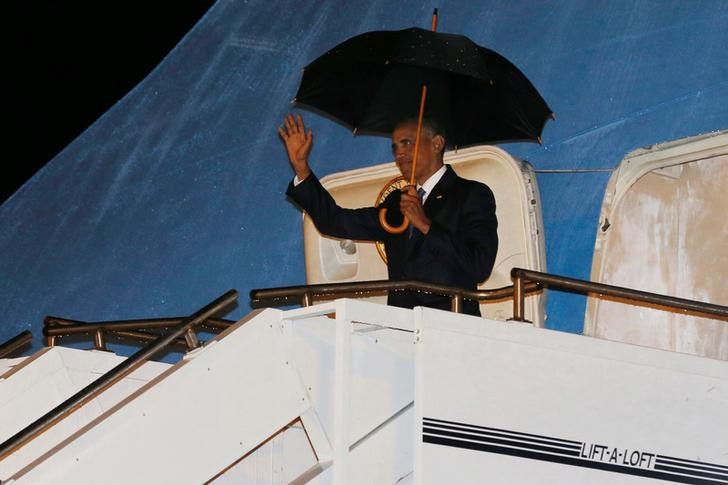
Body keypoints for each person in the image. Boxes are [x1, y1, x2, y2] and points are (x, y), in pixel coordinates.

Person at [278, 113, 498, 316]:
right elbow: (336, 221)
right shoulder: (396, 201)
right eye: (394, 147)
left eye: (407, 143)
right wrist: (301, 168)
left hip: (453, 326)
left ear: (437, 143)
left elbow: (479, 266)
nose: (399, 153)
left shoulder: (471, 194)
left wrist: (425, 225)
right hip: (400, 327)